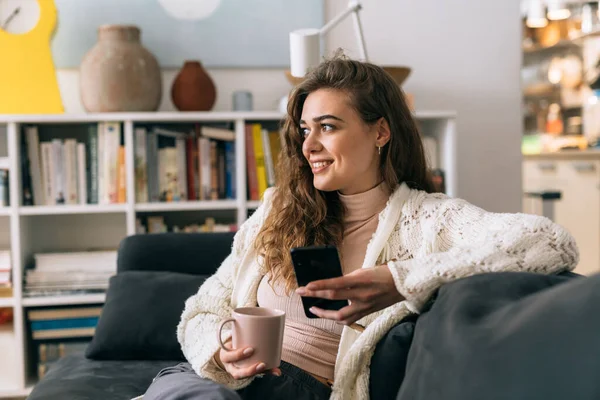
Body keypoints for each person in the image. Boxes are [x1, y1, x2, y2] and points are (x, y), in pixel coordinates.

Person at [143, 55, 579, 400]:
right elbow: (202, 310)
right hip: (215, 385)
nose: (309, 146)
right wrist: (223, 347)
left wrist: (399, 279)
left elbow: (549, 241)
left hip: (299, 390)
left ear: (380, 132)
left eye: (328, 127)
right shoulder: (279, 208)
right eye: (304, 130)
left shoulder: (429, 218)